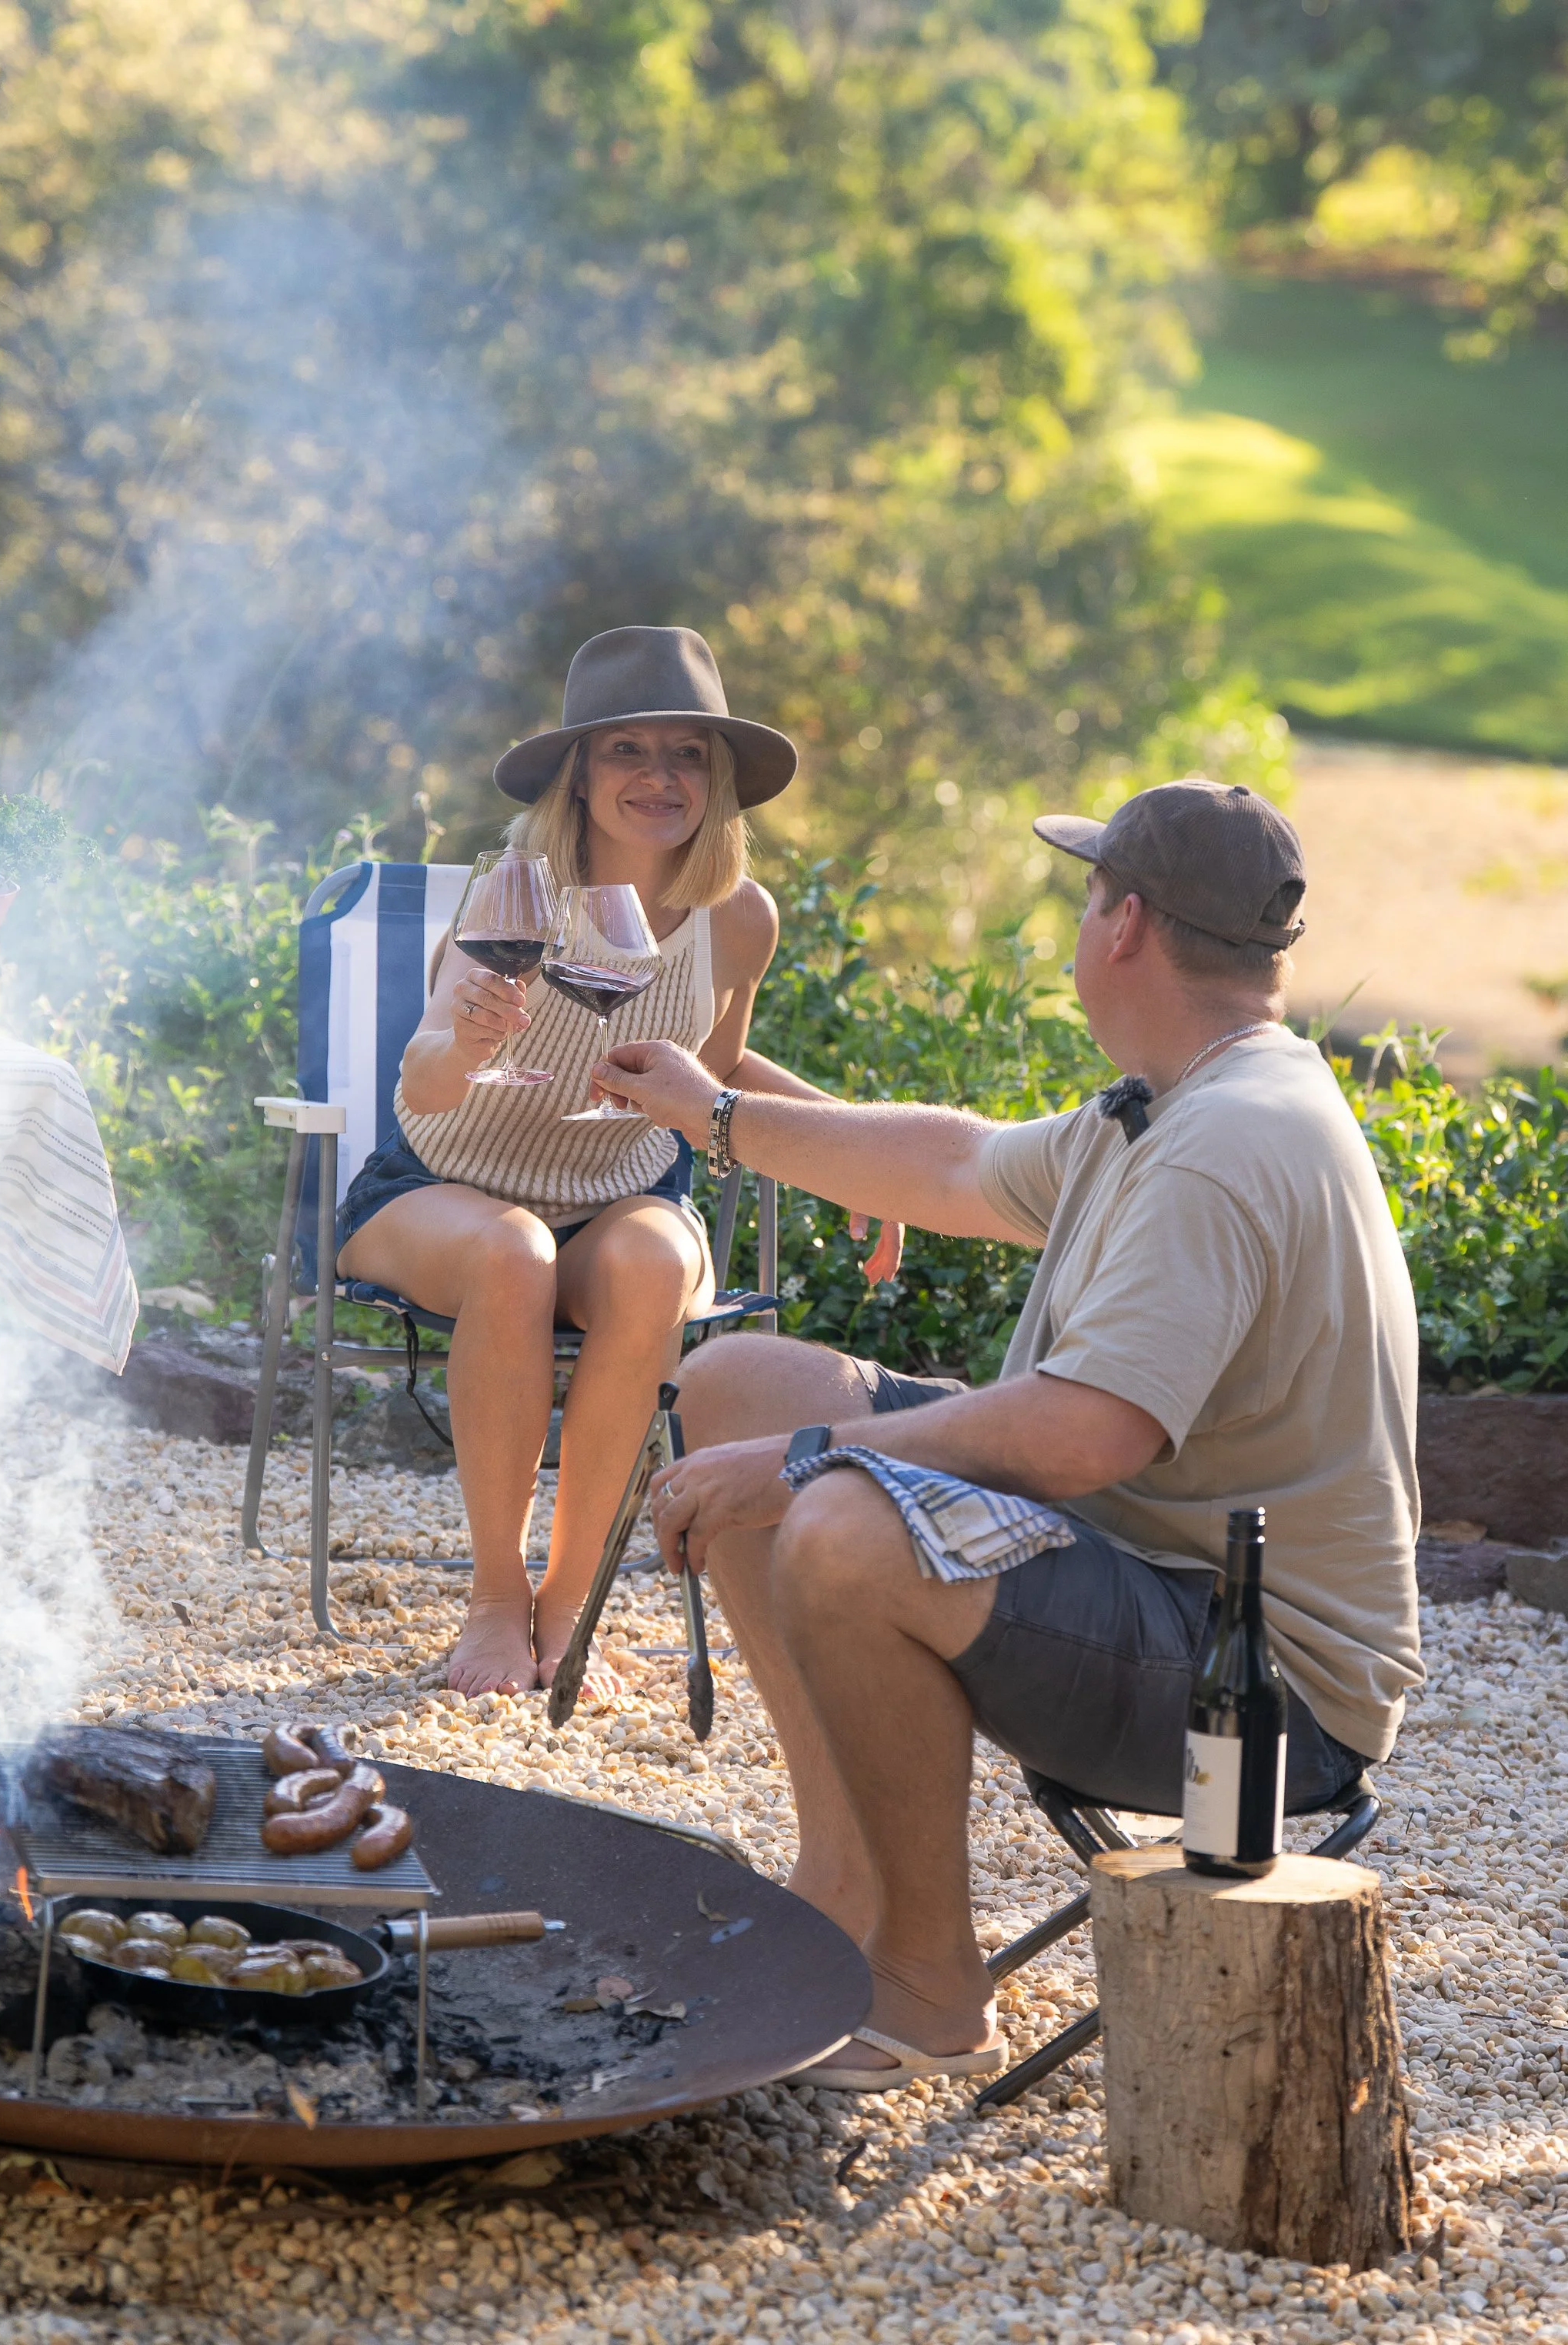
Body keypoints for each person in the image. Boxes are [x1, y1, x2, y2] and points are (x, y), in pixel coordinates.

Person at [598, 779, 1423, 2090]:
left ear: (1128, 925)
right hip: (1134, 1565)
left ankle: (929, 1986)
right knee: (743, 1379)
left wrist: (806, 1465)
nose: (1083, 919)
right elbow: (951, 1166)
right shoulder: (1173, 1099)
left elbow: (1085, 1435)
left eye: (1089, 894)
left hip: (1258, 1684)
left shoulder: (1225, 1145)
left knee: (843, 1528)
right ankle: (843, 1886)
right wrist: (715, 1112)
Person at [335, 625, 899, 1700]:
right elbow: (423, 1078)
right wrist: (470, 1042)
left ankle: (570, 1603)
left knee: (647, 1265)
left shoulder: (739, 920)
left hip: (623, 1191)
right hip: (446, 1187)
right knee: (510, 1253)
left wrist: (860, 1156)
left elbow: (715, 1086)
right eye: (629, 750)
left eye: (688, 753)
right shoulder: (516, 891)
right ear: (580, 775)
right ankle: (496, 1604)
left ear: (719, 779)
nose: (660, 775)